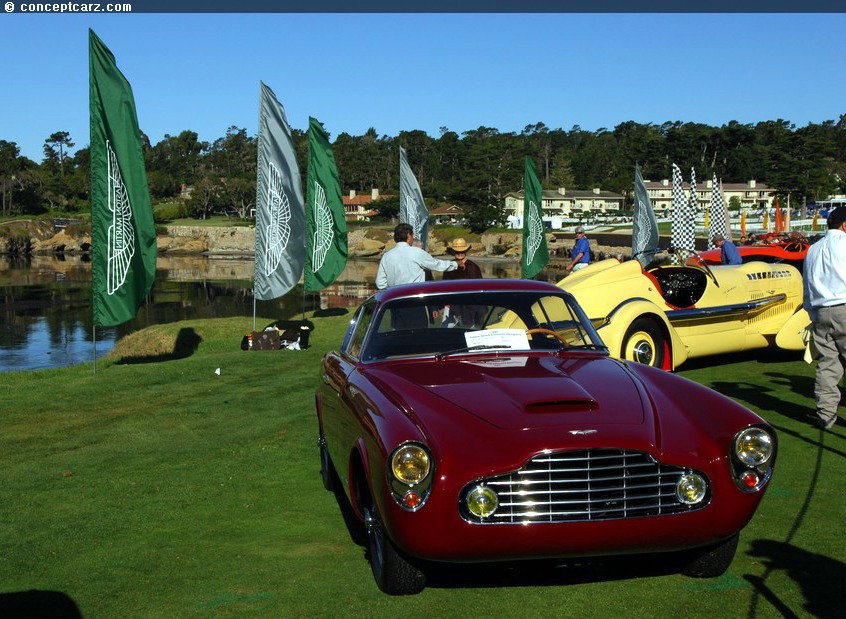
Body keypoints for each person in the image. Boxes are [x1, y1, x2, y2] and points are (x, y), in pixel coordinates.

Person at [803, 206, 846, 430]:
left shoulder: (813, 249)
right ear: (845, 225)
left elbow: (806, 287)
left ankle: (826, 416)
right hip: (843, 307)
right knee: (830, 366)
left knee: (828, 366)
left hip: (821, 311)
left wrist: (812, 313)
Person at [376, 223, 456, 289]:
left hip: (395, 301)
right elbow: (436, 265)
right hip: (415, 300)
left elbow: (380, 284)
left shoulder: (386, 256)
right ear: (409, 236)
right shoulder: (417, 252)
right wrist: (455, 264)